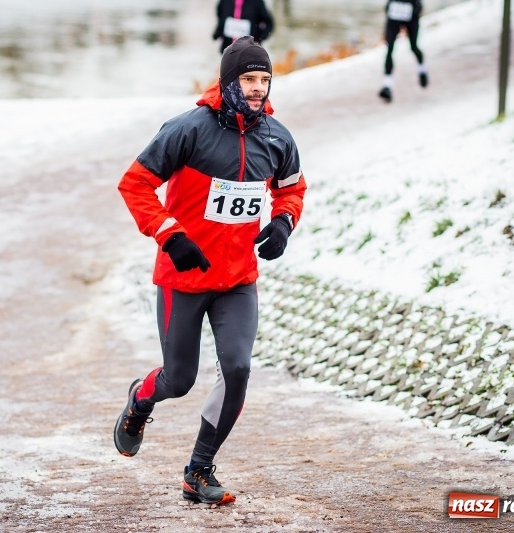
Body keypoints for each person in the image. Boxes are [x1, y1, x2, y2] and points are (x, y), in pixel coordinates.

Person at [115, 36, 306, 505]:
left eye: (265, 79)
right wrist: (170, 235)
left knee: (237, 368)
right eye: (249, 79)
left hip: (237, 281)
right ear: (229, 81)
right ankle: (141, 399)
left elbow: (292, 189)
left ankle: (198, 471)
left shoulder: (277, 137)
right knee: (179, 380)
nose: (259, 88)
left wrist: (283, 222)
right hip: (184, 277)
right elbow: (135, 184)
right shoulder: (188, 129)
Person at [379, 0, 428, 103]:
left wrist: (417, 9)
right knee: (389, 49)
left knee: (413, 47)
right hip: (394, 12)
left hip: (411, 11)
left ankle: (422, 69)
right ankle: (387, 86)